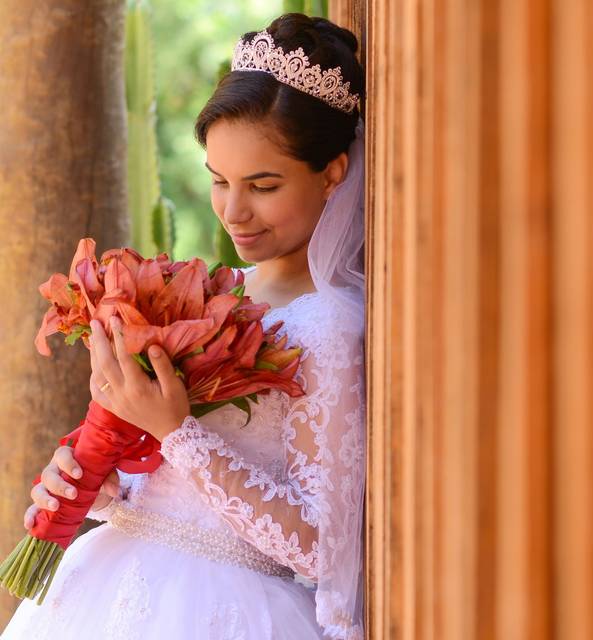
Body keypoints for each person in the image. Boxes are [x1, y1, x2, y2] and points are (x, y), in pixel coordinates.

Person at [2, 13, 366, 640]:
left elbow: (319, 548)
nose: (233, 210)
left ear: (333, 173)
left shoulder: (328, 327)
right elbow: (168, 487)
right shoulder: (224, 299)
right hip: (106, 582)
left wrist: (177, 434)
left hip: (221, 610)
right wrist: (102, 484)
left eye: (263, 185)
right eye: (219, 181)